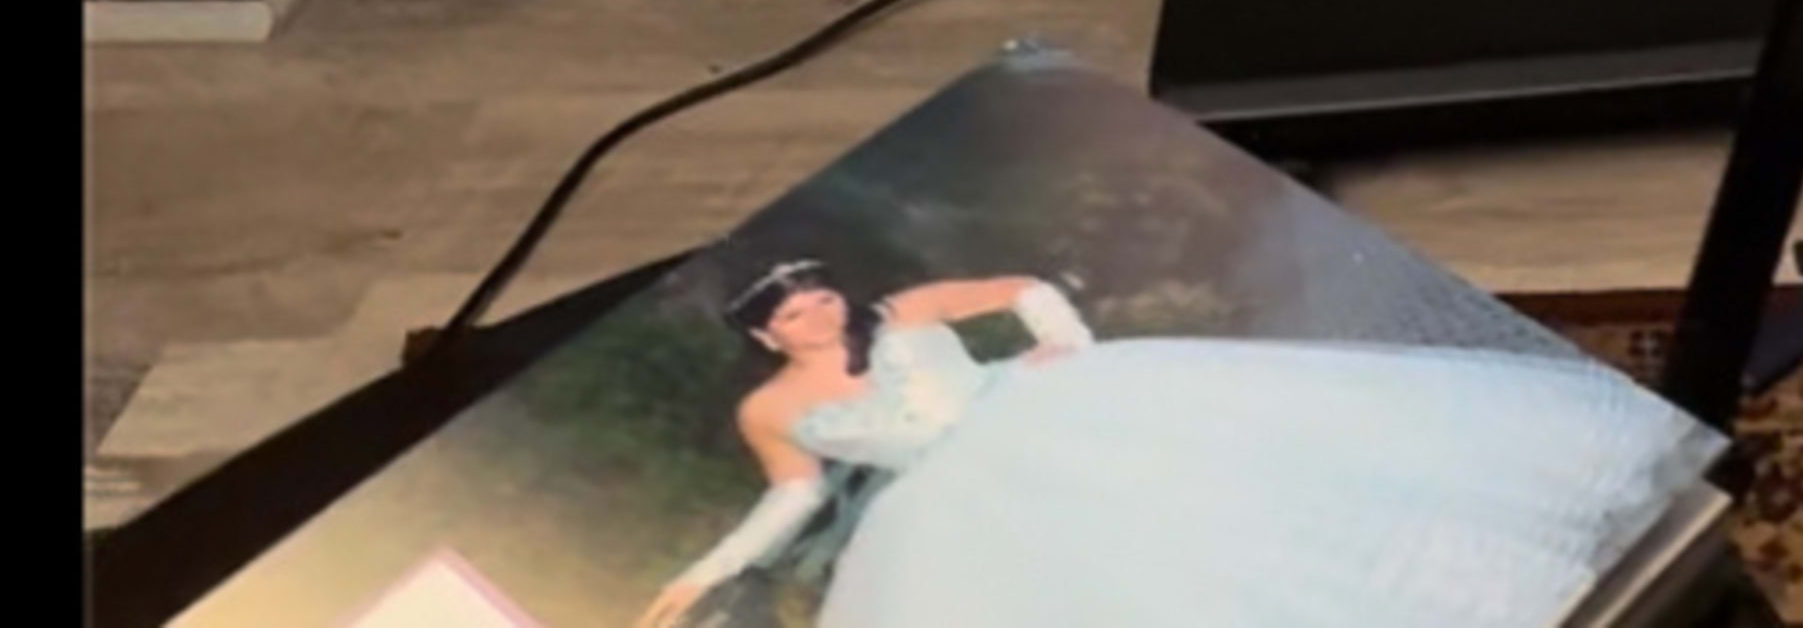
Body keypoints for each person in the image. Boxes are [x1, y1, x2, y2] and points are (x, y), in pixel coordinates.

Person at [632, 256, 1716, 628]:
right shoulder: (769, 409)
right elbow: (794, 495)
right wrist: (707, 570)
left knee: (1234, 507)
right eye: (791, 311)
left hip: (1048, 416)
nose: (815, 312)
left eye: (816, 294)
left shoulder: (907, 312)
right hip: (950, 503)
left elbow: (1022, 288)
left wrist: (1066, 345)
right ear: (765, 334)